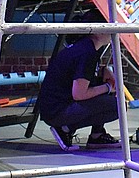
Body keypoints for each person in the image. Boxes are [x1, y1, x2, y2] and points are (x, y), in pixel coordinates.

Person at [37, 9, 121, 151]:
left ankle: (97, 135)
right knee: (117, 106)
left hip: (53, 106)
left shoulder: (86, 46)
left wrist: (103, 71)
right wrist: (108, 87)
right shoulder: (86, 52)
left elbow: (81, 75)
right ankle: (65, 128)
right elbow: (79, 94)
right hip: (57, 110)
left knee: (106, 92)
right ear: (99, 30)